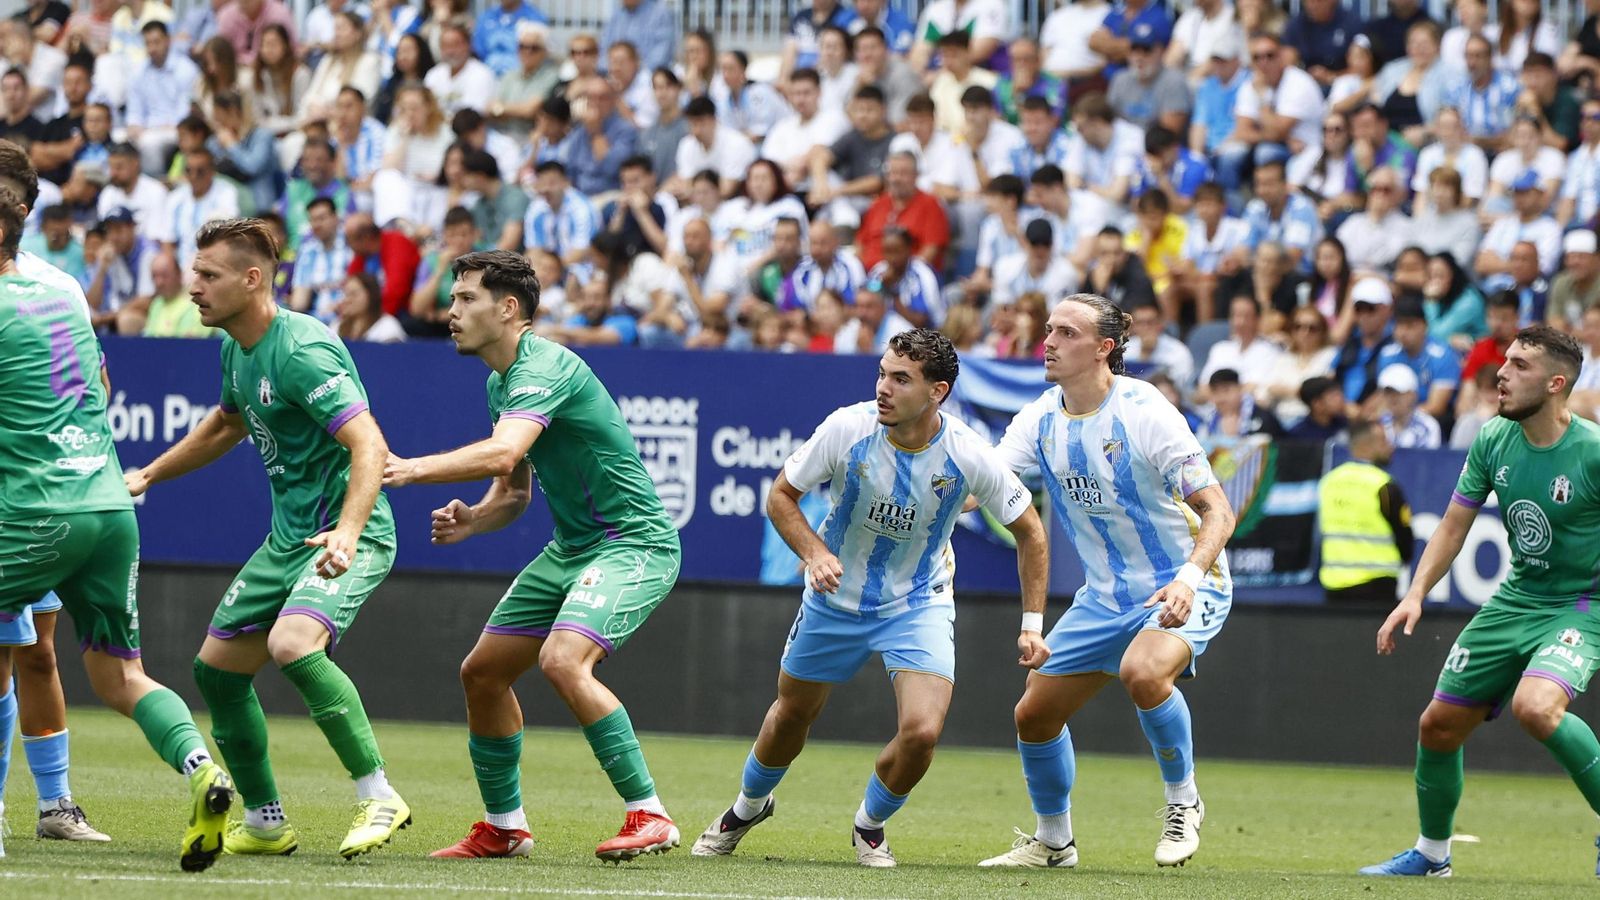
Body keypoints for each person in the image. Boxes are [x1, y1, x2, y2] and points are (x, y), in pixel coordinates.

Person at [691, 328, 1045, 867]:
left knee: (922, 733)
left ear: (937, 392)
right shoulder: (846, 427)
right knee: (791, 715)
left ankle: (870, 824)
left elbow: (1031, 533)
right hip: (835, 599)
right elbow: (781, 497)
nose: (883, 387)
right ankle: (747, 807)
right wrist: (813, 553)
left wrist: (1032, 623)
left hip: (918, 601)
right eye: (882, 373)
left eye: (901, 379)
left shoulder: (969, 453)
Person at [378, 250, 682, 860]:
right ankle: (504, 826)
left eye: (465, 299)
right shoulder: (500, 382)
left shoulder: (545, 365)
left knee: (564, 660)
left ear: (508, 308)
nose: (451, 311)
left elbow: (500, 452)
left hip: (634, 544)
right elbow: (512, 489)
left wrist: (413, 469)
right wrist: (475, 520)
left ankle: (650, 814)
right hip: (571, 549)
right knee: (482, 673)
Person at [126, 219, 408, 861]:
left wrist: (348, 531)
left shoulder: (302, 349)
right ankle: (265, 820)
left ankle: (380, 792)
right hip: (288, 540)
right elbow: (226, 425)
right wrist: (147, 474)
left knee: (290, 643)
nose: (193, 287)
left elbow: (370, 444)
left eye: (208, 275)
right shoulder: (235, 347)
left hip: (346, 533)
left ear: (252, 280)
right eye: (195, 273)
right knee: (216, 673)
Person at [0, 182, 235, 868]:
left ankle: (49, 803)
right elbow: (98, 388)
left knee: (32, 653)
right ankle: (202, 770)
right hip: (107, 501)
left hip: (35, 509)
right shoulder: (62, 295)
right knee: (121, 676)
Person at [979, 293, 1236, 869]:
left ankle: (1183, 804)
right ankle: (1053, 842)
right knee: (1033, 715)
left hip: (1187, 581)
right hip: (1104, 597)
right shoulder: (1041, 416)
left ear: (1104, 348)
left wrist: (1189, 580)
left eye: (1067, 333)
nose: (1048, 341)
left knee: (1143, 672)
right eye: (1048, 329)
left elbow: (1220, 510)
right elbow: (982, 488)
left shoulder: (1146, 410)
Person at [1361, 325, 1600, 879]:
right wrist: (1415, 594)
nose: (1502, 372)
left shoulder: (1591, 452)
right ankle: (1431, 855)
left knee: (1536, 707)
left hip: (1583, 604)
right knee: (1438, 726)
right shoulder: (1494, 437)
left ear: (1556, 383)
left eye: (1520, 365)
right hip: (1517, 599)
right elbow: (1452, 526)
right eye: (1506, 361)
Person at [1318, 418, 1413, 603]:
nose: (1390, 447)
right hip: (1377, 585)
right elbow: (1404, 537)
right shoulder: (1383, 485)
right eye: (1384, 441)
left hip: (1334, 585)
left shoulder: (1329, 482)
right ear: (1366, 445)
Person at [1376, 363, 1441, 448]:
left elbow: (1428, 460)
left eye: (1398, 393)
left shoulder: (1428, 426)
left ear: (1413, 395)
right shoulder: (1377, 423)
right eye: (1388, 393)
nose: (1392, 398)